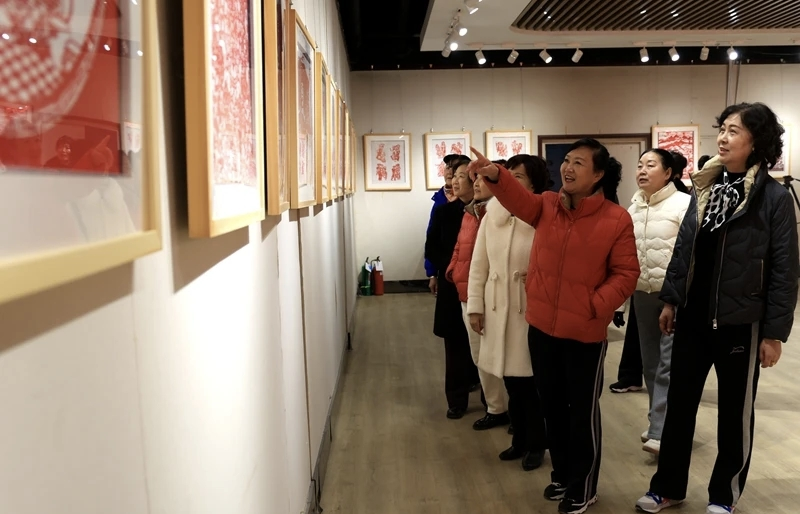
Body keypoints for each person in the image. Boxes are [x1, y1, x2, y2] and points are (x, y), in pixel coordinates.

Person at [636, 102, 799, 514]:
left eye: (733, 131)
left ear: (756, 141)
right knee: (679, 407)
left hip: (740, 320)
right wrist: (671, 299)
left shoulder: (774, 197)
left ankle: (724, 495)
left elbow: (785, 268)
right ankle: (667, 487)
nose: (723, 138)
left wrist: (774, 333)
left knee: (733, 414)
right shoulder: (705, 187)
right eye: (722, 129)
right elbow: (684, 248)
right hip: (692, 316)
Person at [469, 140, 639, 514]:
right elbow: (517, 198)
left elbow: (626, 273)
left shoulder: (616, 219)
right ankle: (562, 474)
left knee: (581, 413)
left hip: (585, 334)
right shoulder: (546, 206)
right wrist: (495, 174)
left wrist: (594, 305)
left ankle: (584, 486)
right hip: (542, 329)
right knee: (553, 408)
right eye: (566, 161)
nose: (568, 168)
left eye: (579, 163)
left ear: (598, 174)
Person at [467, 154, 550, 471]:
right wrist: (475, 306)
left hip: (529, 307)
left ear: (534, 184)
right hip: (497, 306)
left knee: (531, 383)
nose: (510, 182)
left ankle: (537, 443)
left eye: (519, 177)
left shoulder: (543, 214)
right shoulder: (492, 214)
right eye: (508, 175)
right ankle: (520, 439)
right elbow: (479, 264)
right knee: (511, 380)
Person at [628, 149, 691, 455]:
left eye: (650, 165)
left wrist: (674, 297)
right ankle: (658, 420)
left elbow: (689, 255)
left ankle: (661, 430)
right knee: (651, 362)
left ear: (668, 173)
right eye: (640, 165)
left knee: (668, 364)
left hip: (673, 297)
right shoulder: (634, 206)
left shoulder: (683, 204)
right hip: (642, 292)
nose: (642, 170)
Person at [447, 168, 509, 430]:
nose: (476, 183)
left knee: (503, 356)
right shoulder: (470, 212)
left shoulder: (503, 213)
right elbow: (459, 247)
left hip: (495, 295)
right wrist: (453, 270)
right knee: (480, 356)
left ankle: (512, 409)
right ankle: (496, 408)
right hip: (468, 294)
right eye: (475, 178)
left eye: (483, 179)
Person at [425, 156, 480, 419]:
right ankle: (456, 400)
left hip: (479, 287)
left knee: (481, 344)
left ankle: (492, 402)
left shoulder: (487, 213)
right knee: (455, 344)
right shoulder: (445, 212)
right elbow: (431, 247)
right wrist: (450, 269)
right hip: (451, 285)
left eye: (461, 176)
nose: (454, 181)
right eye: (453, 175)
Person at [425, 155, 460, 295]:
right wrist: (432, 274)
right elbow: (432, 238)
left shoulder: (469, 202)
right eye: (448, 167)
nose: (450, 172)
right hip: (444, 267)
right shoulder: (440, 199)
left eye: (455, 168)